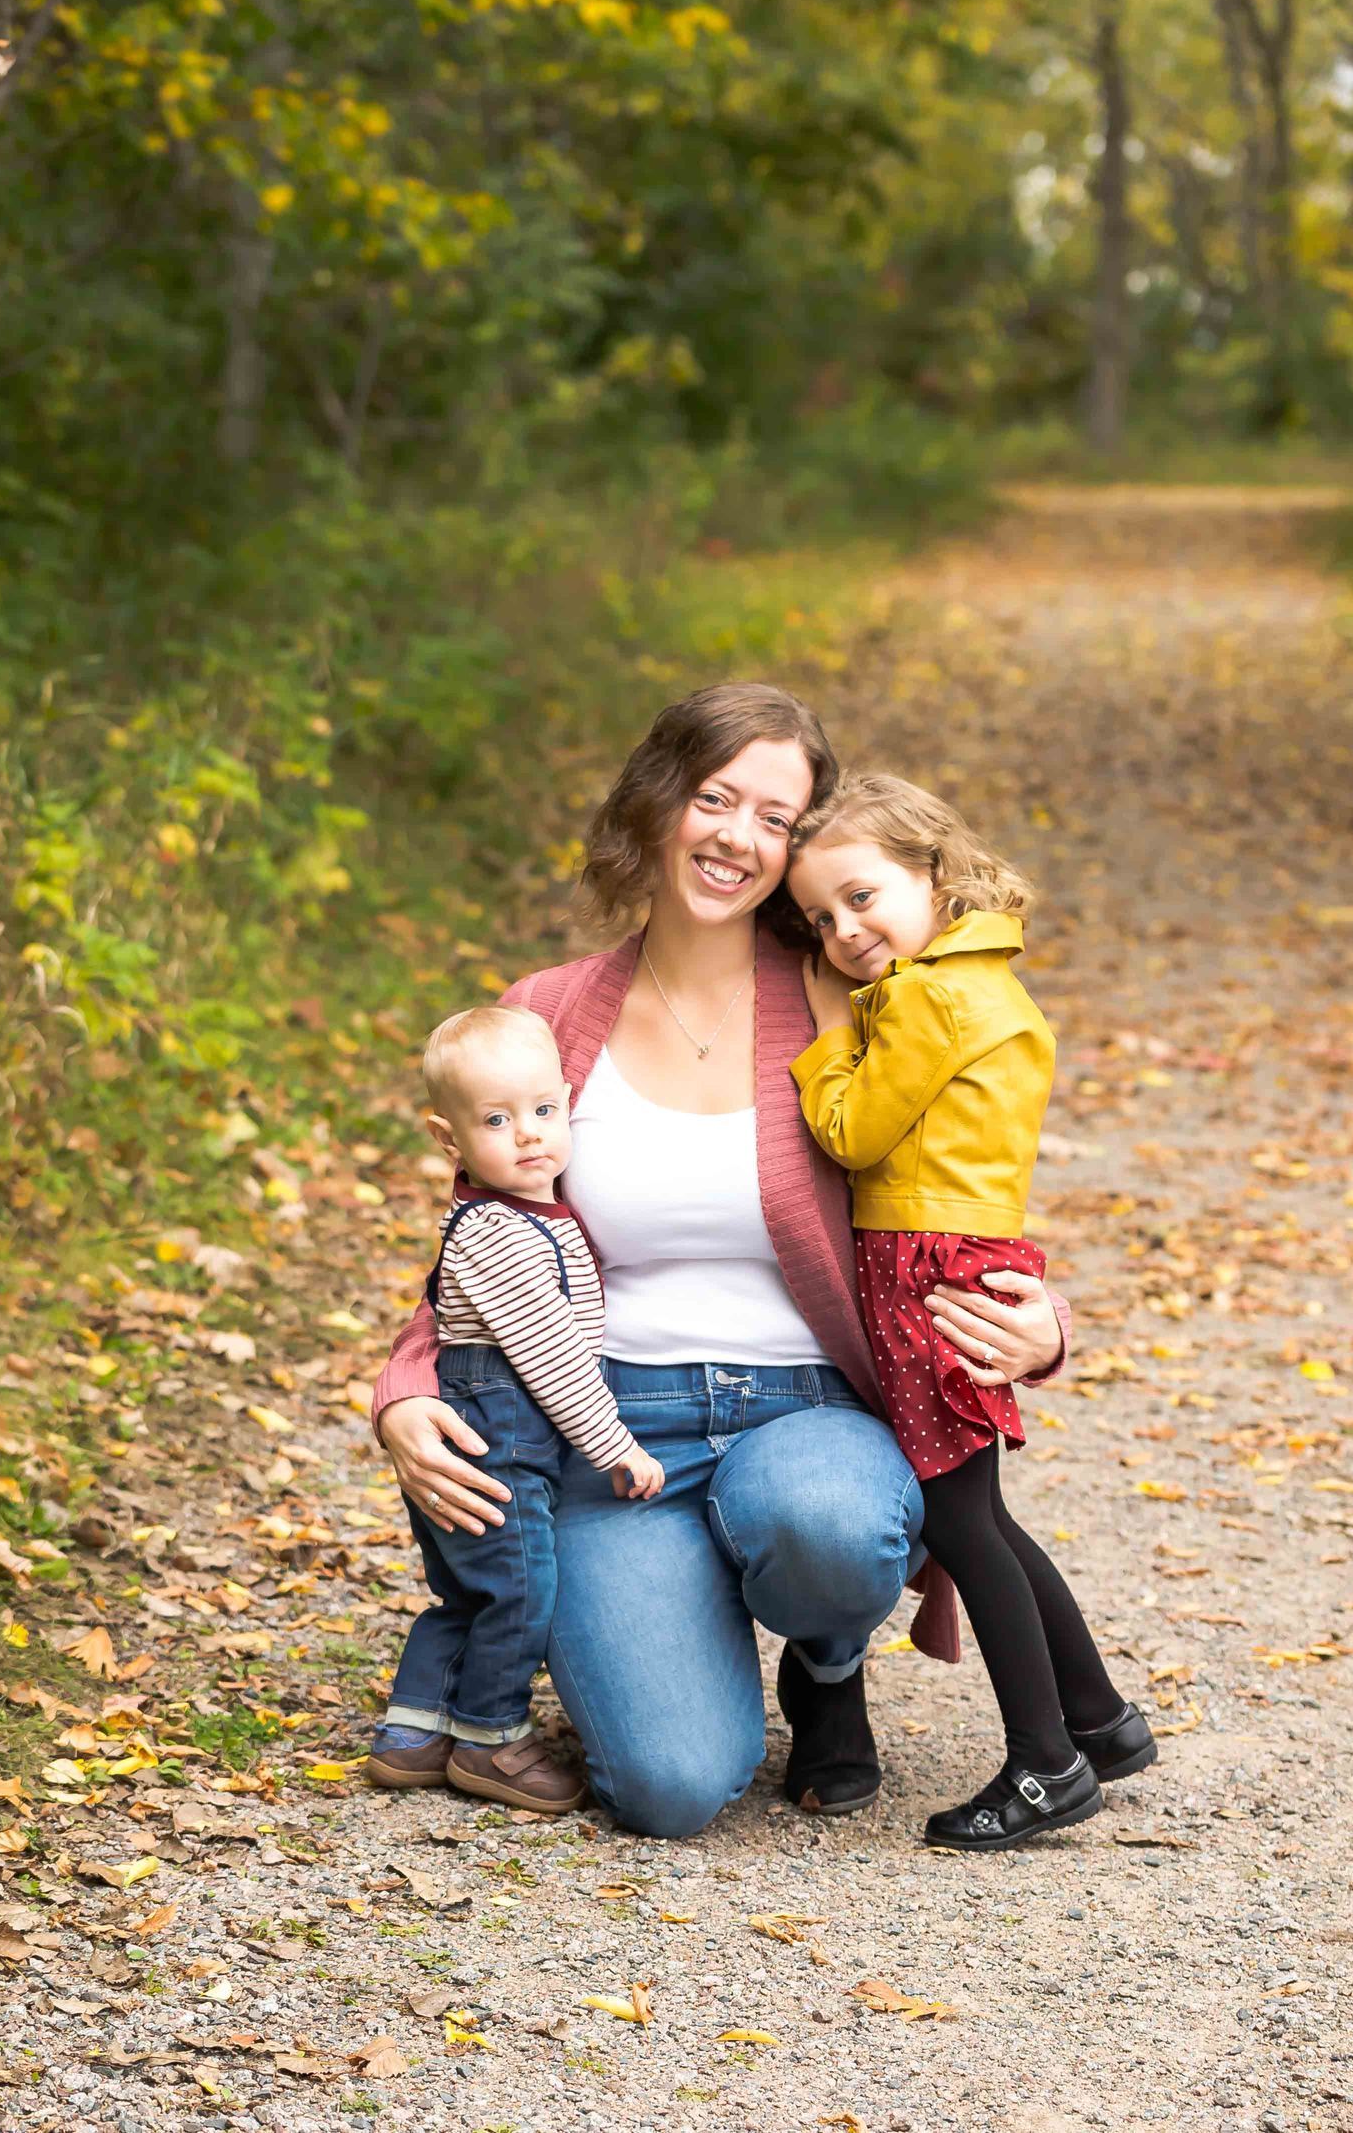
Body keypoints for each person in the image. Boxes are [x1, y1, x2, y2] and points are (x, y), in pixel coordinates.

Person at [369, 683, 1071, 1840]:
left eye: (777, 819)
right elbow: (482, 1243)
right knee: (673, 1785)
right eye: (715, 798)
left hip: (807, 1412)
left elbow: (968, 1169)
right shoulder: (549, 1015)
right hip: (608, 1425)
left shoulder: (856, 990)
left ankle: (826, 1653)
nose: (739, 836)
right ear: (661, 801)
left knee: (830, 1530)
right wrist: (404, 1394)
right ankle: (669, 1611)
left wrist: (1038, 1321)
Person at [788, 771, 1154, 1849]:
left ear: (932, 870)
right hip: (954, 1245)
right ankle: (1100, 1717)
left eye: (861, 897)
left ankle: (1046, 1761)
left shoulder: (926, 995)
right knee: (980, 1512)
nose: (844, 931)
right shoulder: (973, 971)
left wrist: (822, 1025)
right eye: (819, 917)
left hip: (922, 1261)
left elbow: (852, 1131)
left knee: (959, 1518)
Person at [365, 1004, 664, 1816]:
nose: (530, 1135)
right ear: (448, 1138)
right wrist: (614, 1446)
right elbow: (551, 1360)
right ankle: (492, 1738)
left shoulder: (528, 1214)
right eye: (498, 1121)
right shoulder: (498, 1232)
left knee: (467, 1590)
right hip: (500, 1432)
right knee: (521, 1589)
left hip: (491, 1422)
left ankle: (414, 1734)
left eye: (544, 1111)